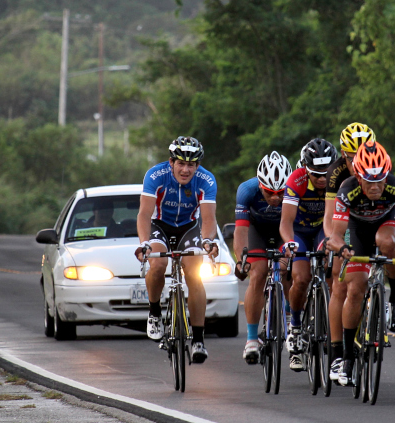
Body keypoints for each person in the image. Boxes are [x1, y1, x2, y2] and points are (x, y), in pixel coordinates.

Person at [327, 141, 395, 386]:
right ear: (358, 177)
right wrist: (343, 248)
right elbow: (336, 234)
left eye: (381, 180)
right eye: (370, 182)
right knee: (356, 288)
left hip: (385, 225)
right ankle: (347, 359)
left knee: (387, 242)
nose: (376, 187)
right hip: (356, 231)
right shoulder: (346, 190)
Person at [135, 136, 219, 364]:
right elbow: (144, 214)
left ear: (197, 166)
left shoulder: (206, 180)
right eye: (180, 163)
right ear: (171, 162)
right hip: (159, 226)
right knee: (159, 263)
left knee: (194, 275)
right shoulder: (155, 175)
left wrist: (208, 241)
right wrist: (144, 243)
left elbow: (209, 218)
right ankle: (154, 313)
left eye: (191, 165)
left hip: (188, 228)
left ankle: (198, 339)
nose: (185, 169)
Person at [280, 138, 338, 371]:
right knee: (301, 278)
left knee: (335, 278)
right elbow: (285, 221)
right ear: (306, 169)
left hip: (325, 230)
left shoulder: (339, 179)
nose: (323, 179)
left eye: (327, 173)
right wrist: (290, 242)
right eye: (316, 174)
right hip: (300, 232)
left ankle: (334, 332)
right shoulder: (297, 180)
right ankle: (295, 326)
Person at [233, 151, 292, 364]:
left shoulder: (295, 190)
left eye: (280, 192)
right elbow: (240, 231)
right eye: (269, 192)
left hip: (284, 231)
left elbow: (298, 227)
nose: (275, 198)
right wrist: (242, 259)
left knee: (287, 268)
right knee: (257, 274)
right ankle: (251, 339)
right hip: (256, 231)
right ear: (260, 186)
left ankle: (287, 316)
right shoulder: (246, 190)